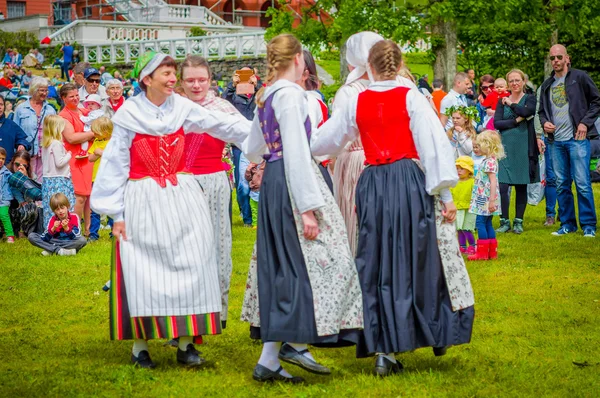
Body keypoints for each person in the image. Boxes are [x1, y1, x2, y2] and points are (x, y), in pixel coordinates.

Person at [312, 39, 474, 376]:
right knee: (413, 258)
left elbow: (327, 140)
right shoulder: (412, 96)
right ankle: (413, 330)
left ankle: (383, 348)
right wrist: (445, 197)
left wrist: (299, 145)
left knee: (375, 259)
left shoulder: (357, 99)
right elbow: (433, 148)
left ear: (368, 67)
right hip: (407, 180)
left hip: (372, 182)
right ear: (399, 66)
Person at [90, 51, 251, 369]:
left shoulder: (182, 108)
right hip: (143, 196)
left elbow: (221, 124)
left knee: (192, 262)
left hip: (182, 194)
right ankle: (140, 346)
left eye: (172, 72)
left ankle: (187, 343)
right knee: (143, 268)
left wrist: (265, 134)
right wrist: (117, 215)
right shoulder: (129, 116)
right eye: (165, 73)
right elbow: (115, 165)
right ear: (146, 79)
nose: (172, 78)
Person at [242, 35, 363, 383]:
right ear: (297, 59)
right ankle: (294, 341)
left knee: (286, 262)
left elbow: (253, 146)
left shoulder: (267, 93)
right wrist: (309, 208)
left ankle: (273, 356)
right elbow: (296, 150)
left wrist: (268, 163)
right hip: (295, 179)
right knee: (328, 260)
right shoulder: (292, 95)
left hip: (276, 181)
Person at [180, 54, 242, 328]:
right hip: (180, 182)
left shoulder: (222, 107)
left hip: (214, 180)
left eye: (201, 79)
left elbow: (247, 136)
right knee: (181, 246)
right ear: (180, 82)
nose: (196, 85)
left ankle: (218, 309)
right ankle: (182, 310)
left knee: (217, 242)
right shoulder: (172, 107)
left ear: (210, 80)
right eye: (190, 80)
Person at [538, 44, 600, 238]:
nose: (555, 61)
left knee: (582, 183)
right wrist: (545, 122)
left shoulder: (580, 77)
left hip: (578, 139)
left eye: (559, 57)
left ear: (567, 58)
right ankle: (567, 224)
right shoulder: (547, 85)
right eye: (552, 58)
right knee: (561, 184)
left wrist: (585, 123)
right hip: (555, 141)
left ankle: (588, 225)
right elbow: (541, 112)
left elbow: (597, 101)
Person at [330, 31, 382, 256]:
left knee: (353, 218)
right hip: (382, 159)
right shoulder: (389, 87)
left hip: (354, 160)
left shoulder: (349, 92)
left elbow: (337, 137)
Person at [494, 70, 541, 235]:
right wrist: (515, 121)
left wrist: (512, 105)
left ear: (523, 81)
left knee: (521, 184)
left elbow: (527, 112)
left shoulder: (529, 98)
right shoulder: (501, 101)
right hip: (505, 148)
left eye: (517, 80)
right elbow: (497, 123)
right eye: (511, 81)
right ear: (508, 84)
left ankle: (518, 221)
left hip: (523, 145)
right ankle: (504, 220)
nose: (514, 83)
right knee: (502, 185)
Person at [58, 83, 95, 238]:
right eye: (71, 96)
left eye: (76, 95)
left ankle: (88, 230)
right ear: (63, 98)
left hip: (88, 158)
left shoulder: (83, 111)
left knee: (88, 196)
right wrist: (93, 133)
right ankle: (74, 230)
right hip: (75, 160)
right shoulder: (64, 116)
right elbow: (71, 138)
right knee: (79, 197)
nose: (75, 98)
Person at [224, 66, 257, 227]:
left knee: (258, 178)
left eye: (248, 73)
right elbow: (223, 103)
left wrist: (256, 85)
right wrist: (232, 85)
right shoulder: (234, 92)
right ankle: (247, 218)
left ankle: (257, 214)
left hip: (257, 139)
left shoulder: (257, 90)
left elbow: (266, 100)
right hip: (239, 142)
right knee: (242, 182)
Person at [467, 130, 504, 261]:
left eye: (480, 144)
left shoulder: (489, 162)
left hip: (485, 198)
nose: (477, 147)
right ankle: (491, 253)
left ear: (487, 145)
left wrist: (492, 200)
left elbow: (493, 181)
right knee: (488, 223)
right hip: (488, 197)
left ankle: (482, 253)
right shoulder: (491, 160)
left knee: (480, 223)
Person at [13, 77, 57, 183]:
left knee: (43, 181)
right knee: (26, 180)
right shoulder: (21, 108)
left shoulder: (50, 109)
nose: (45, 93)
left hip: (46, 152)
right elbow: (15, 131)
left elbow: (55, 132)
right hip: (27, 152)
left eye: (46, 90)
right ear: (33, 90)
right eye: (42, 90)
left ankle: (41, 200)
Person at [40, 115, 75, 227]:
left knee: (50, 207)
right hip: (59, 180)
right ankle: (65, 229)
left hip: (47, 180)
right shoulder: (56, 143)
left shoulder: (46, 144)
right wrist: (69, 154)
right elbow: (59, 163)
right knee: (62, 206)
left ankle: (50, 229)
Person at [87, 117, 113, 241]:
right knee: (94, 207)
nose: (94, 134)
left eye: (96, 132)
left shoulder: (114, 142)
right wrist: (96, 153)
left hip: (110, 179)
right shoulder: (97, 141)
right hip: (96, 179)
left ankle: (114, 232)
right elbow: (90, 158)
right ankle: (93, 233)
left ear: (106, 132)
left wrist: (102, 153)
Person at [451, 156, 477, 254]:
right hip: (457, 207)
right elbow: (450, 193)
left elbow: (475, 194)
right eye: (457, 169)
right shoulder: (454, 182)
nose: (459, 171)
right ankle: (462, 246)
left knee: (466, 228)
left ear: (469, 170)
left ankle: (472, 245)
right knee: (459, 229)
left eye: (462, 169)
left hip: (468, 209)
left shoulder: (472, 182)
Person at [0, 96, 29, 163]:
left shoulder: (11, 125)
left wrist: (21, 145)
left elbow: (22, 139)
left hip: (7, 167)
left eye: (1, 104)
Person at [0, 147, 15, 243]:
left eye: (3, 159)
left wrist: (21, 200)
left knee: (3, 214)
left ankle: (10, 236)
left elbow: (14, 188)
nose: (1, 161)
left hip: (4, 199)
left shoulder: (7, 174)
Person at [245, 160, 265, 227]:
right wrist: (248, 169)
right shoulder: (253, 165)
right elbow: (248, 178)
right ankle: (255, 224)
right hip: (254, 192)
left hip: (263, 192)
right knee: (254, 209)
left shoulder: (266, 164)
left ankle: (264, 224)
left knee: (263, 210)